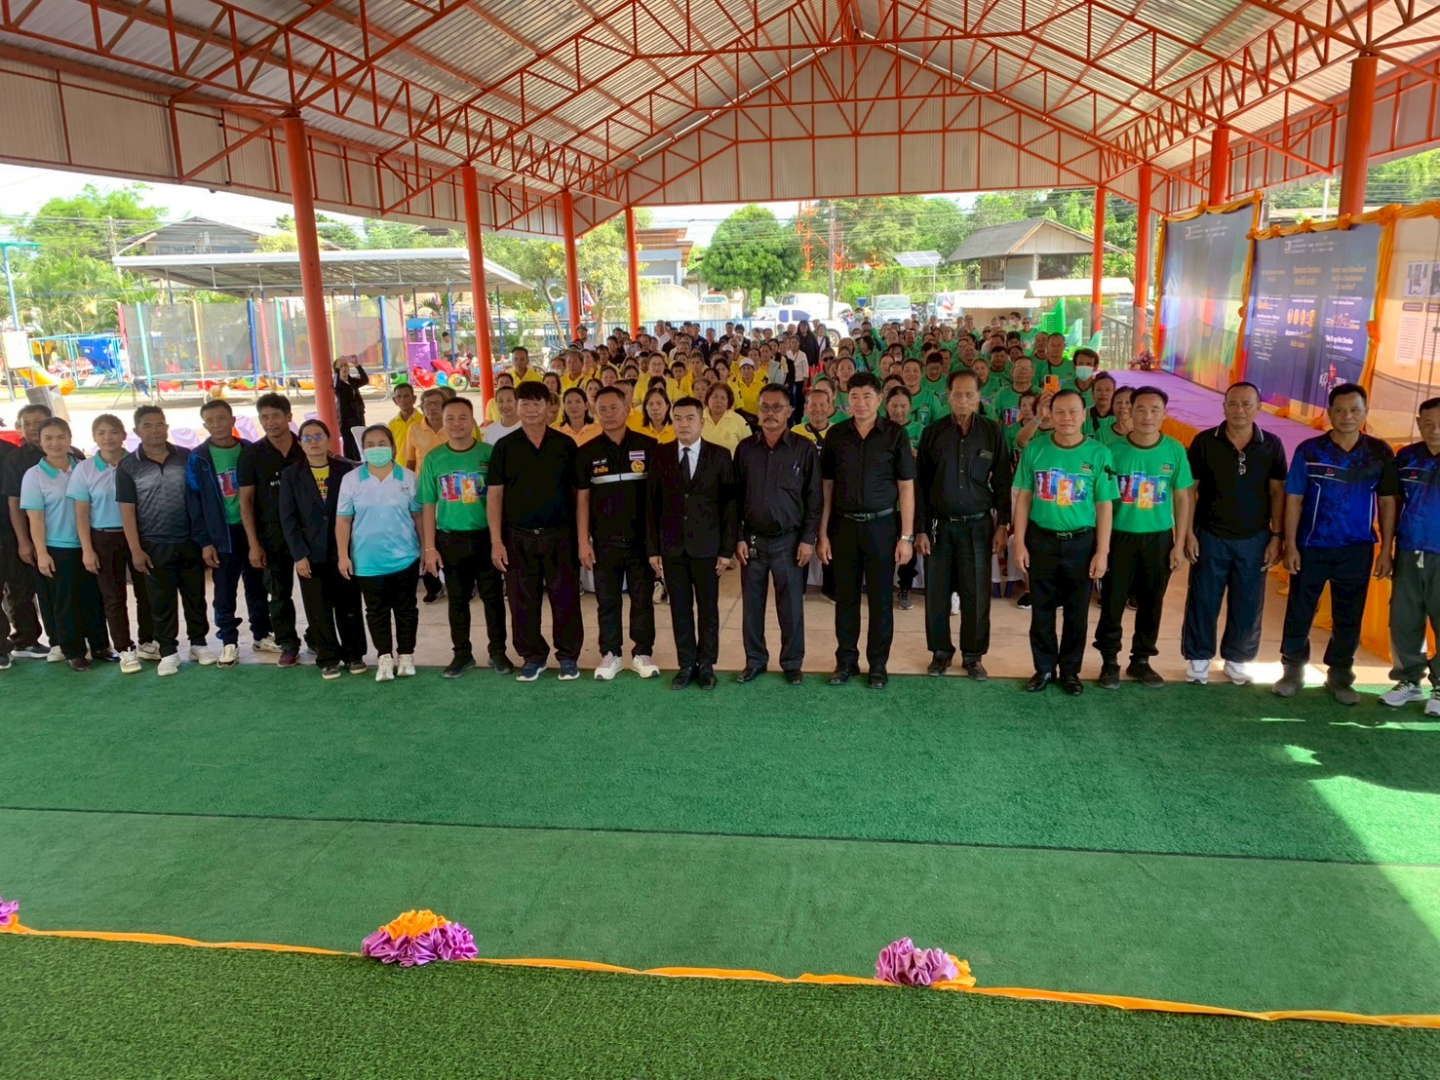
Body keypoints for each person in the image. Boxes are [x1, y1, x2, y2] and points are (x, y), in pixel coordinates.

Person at [1275, 383, 1398, 705]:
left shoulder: (1379, 452)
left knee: (1348, 617)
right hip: (1311, 546)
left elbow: (1387, 502)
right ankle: (1292, 671)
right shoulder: (1310, 450)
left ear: (1365, 412)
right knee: (1299, 611)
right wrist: (1290, 544)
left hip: (1356, 549)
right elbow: (1293, 499)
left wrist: (1386, 548)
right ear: (1329, 413)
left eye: (1355, 410)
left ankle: (1340, 676)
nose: (1347, 416)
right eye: (1340, 410)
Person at [1180, 381, 1286, 686]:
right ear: (1224, 407)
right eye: (1233, 403)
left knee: (1248, 601)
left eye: (1247, 404)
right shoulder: (1204, 441)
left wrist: (1277, 536)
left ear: (1259, 408)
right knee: (1203, 597)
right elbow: (1189, 490)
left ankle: (1238, 659)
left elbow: (1277, 493)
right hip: (1210, 535)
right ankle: (1199, 658)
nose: (1240, 410)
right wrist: (1187, 533)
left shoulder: (1271, 445)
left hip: (1255, 538)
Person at [1011, 389, 1117, 695]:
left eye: (1073, 412)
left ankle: (1070, 671)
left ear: (1084, 415)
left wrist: (1102, 551)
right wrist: (1019, 543)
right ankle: (1044, 668)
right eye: (1060, 411)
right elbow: (1024, 497)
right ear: (1050, 414)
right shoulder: (1036, 449)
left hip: (1081, 543)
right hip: (1041, 540)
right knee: (1041, 609)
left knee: (1076, 611)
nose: (1066, 418)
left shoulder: (1099, 454)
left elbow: (1104, 505)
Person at [817, 372, 917, 689]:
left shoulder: (895, 435)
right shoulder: (836, 435)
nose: (860, 403)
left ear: (879, 399)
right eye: (854, 396)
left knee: (880, 600)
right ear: (847, 400)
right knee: (845, 598)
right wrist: (822, 533)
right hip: (843, 526)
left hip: (882, 527)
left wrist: (906, 536)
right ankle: (846, 661)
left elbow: (906, 487)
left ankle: (878, 665)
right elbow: (827, 487)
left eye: (867, 396)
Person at [1092, 386, 1194, 690]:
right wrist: (1101, 546)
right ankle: (1109, 660)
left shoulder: (1174, 450)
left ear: (1164, 414)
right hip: (1119, 538)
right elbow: (1102, 501)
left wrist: (1179, 544)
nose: (1147, 416)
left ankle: (1141, 660)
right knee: (1113, 601)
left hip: (1158, 539)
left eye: (1154, 410)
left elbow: (1183, 498)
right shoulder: (1112, 451)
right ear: (1129, 411)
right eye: (1141, 409)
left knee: (1152, 602)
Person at [915, 369, 1012, 680]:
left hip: (978, 526)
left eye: (969, 394)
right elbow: (920, 485)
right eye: (957, 394)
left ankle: (973, 656)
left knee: (976, 594)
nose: (963, 400)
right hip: (938, 527)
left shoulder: (992, 432)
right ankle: (940, 653)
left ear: (979, 397)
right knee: (937, 593)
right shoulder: (933, 433)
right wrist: (920, 529)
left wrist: (1003, 525)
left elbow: (1003, 480)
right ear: (948, 395)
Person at [487, 381, 584, 681]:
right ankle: (532, 656)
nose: (530, 409)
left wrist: (581, 538)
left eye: (537, 403)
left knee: (565, 599)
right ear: (517, 408)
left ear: (548, 407)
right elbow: (495, 495)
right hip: (518, 537)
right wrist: (496, 541)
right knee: (522, 601)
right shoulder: (504, 447)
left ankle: (568, 656)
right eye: (525, 403)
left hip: (560, 535)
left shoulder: (565, 445)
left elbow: (579, 494)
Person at [117, 405, 214, 677]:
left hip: (189, 541)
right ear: (136, 431)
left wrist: (205, 540)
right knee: (161, 602)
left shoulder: (186, 457)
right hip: (153, 545)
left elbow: (200, 500)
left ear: (167, 427)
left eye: (159, 424)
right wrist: (135, 549)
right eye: (147, 426)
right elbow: (127, 511)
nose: (155, 430)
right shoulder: (128, 466)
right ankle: (169, 651)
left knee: (195, 597)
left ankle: (199, 644)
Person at [734, 383, 822, 684]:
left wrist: (808, 539)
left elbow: (814, 498)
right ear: (758, 411)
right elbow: (734, 498)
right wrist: (738, 536)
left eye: (777, 407)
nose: (770, 413)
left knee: (791, 607)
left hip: (790, 541)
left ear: (790, 411)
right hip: (753, 541)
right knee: (752, 606)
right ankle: (755, 660)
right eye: (764, 407)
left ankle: (792, 663)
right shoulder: (745, 449)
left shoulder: (804, 449)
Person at [419, 397, 513, 679]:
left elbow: (502, 498)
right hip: (450, 540)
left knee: (493, 598)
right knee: (457, 600)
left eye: (463, 417)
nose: (456, 423)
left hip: (486, 538)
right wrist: (429, 547)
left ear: (473, 421)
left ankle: (498, 652)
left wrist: (498, 540)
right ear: (443, 422)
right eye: (450, 418)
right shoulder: (434, 458)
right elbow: (428, 505)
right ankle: (462, 654)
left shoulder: (490, 453)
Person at [647, 396, 736, 691]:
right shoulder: (660, 455)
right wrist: (653, 549)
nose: (683, 424)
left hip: (708, 548)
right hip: (672, 547)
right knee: (680, 610)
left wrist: (726, 550)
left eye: (689, 418)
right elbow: (652, 505)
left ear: (702, 421)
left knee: (708, 610)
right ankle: (686, 664)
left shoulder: (720, 455)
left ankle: (707, 664)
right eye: (678, 418)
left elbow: (729, 506)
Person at [576, 386, 660, 681]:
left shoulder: (650, 447)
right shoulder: (587, 452)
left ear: (627, 410)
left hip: (642, 541)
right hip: (604, 541)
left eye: (614, 408)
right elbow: (583, 499)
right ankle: (610, 653)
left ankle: (642, 653)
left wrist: (658, 543)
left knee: (642, 599)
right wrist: (583, 541)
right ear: (594, 412)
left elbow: (658, 498)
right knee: (607, 600)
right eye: (602, 409)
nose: (609, 414)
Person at [20, 418, 112, 671]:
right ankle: (74, 651)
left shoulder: (83, 468)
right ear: (40, 442)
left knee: (94, 598)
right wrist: (41, 553)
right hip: (58, 548)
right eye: (48, 438)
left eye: (61, 437)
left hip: (90, 545)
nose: (55, 443)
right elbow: (35, 519)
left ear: (70, 438)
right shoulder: (34, 475)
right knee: (66, 602)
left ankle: (100, 646)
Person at [279, 419, 368, 679]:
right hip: (311, 554)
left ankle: (354, 655)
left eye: (319, 436)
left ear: (329, 439)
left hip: (344, 552)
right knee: (318, 609)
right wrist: (299, 555)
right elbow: (288, 518)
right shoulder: (291, 475)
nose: (314, 442)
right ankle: (328, 658)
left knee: (349, 605)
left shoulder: (346, 471)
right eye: (307, 438)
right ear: (300, 444)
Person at [70, 413, 156, 673]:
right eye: (101, 433)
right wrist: (87, 549)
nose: (108, 438)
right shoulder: (84, 469)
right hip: (104, 538)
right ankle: (125, 649)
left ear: (124, 435)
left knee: (147, 592)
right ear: (94, 437)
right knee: (113, 596)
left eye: (113, 432)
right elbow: (81, 513)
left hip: (140, 536)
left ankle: (148, 641)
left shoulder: (138, 463)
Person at [188, 399, 270, 668]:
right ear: (204, 425)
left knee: (257, 585)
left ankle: (262, 634)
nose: (217, 425)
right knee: (224, 590)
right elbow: (194, 503)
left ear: (233, 420)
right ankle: (229, 641)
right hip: (220, 535)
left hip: (251, 531)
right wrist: (205, 541)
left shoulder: (249, 450)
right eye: (210, 421)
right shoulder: (198, 458)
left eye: (222, 418)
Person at [337, 425, 422, 683]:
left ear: (392, 447)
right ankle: (384, 656)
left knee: (406, 609)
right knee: (376, 611)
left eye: (382, 443)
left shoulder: (408, 478)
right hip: (366, 560)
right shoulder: (351, 480)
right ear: (363, 449)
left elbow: (418, 517)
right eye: (370, 445)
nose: (376, 449)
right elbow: (343, 520)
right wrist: (343, 555)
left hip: (405, 557)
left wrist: (427, 549)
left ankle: (406, 655)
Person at [1381, 397, 1440, 715]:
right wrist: (1388, 548)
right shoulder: (1406, 457)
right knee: (1403, 620)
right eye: (1428, 423)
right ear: (1418, 423)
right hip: (1408, 550)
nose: (1435, 430)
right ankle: (1409, 681)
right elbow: (1393, 504)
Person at [238, 393, 305, 665]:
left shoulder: (306, 447)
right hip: (271, 534)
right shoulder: (252, 454)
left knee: (317, 591)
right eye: (264, 417)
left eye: (276, 416)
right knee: (278, 593)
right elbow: (246, 501)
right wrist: (253, 544)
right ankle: (287, 643)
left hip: (307, 533)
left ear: (288, 417)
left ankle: (319, 637)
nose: (270, 422)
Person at [1, 403, 59, 660]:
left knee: (37, 589)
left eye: (39, 422)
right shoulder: (16, 458)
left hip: (57, 534)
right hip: (17, 534)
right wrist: (24, 541)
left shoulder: (69, 454)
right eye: (28, 423)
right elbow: (13, 502)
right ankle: (16, 642)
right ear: (20, 428)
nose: (34, 428)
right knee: (20, 589)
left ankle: (48, 640)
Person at [333, 356, 369, 459]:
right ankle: (350, 464)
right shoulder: (338, 385)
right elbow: (335, 385)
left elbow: (365, 380)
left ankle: (361, 462)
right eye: (341, 367)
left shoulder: (352, 381)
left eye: (345, 365)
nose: (344, 368)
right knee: (349, 445)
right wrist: (337, 369)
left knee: (360, 441)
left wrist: (357, 365)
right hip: (346, 420)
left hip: (358, 416)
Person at [701, 384, 751, 455]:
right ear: (707, 398)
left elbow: (749, 447)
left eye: (723, 398)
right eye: (715, 397)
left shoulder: (739, 420)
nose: (718, 401)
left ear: (729, 402)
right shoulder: (698, 418)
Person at [386, 382, 421, 452]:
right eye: (399, 396)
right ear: (395, 400)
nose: (402, 400)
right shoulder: (392, 424)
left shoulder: (424, 421)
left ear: (414, 399)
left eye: (406, 396)